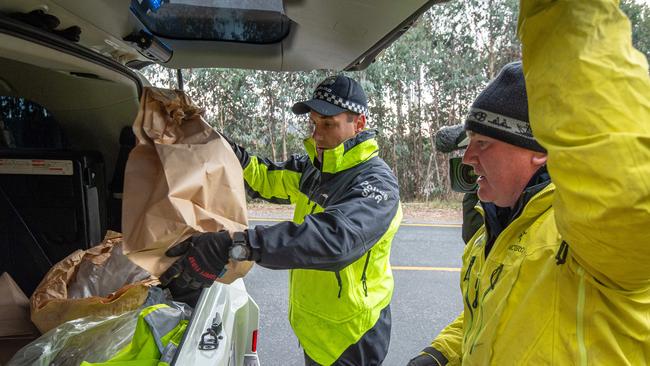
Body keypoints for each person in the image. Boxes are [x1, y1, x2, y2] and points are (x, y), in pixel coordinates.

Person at [407, 0, 650, 364]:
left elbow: (619, 177)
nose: (469, 159)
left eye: (483, 143)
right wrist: (442, 353)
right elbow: (492, 315)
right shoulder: (495, 222)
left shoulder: (591, 238)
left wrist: (556, 11)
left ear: (540, 151)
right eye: (469, 143)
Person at [161, 75, 402, 365]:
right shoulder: (314, 170)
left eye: (328, 124)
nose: (317, 135)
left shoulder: (376, 183)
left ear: (359, 124)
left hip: (352, 335)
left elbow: (336, 240)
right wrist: (212, 140)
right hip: (315, 327)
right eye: (314, 123)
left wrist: (241, 244)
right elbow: (262, 176)